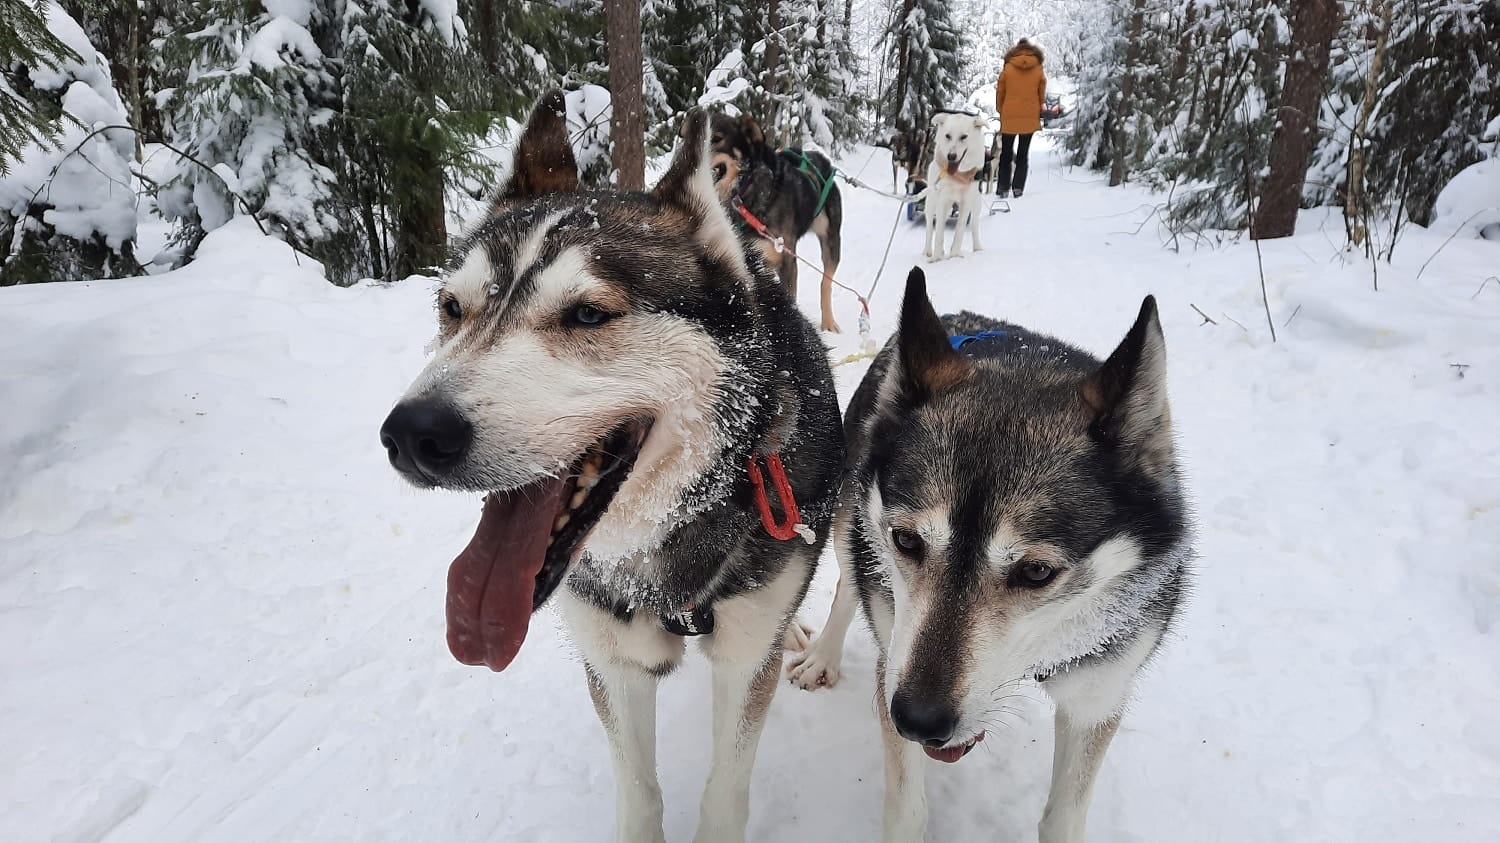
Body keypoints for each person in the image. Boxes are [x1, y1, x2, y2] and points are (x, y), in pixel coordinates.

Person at [994, 38, 1046, 198]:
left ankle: (1003, 187)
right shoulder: (1038, 68)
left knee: (1006, 153)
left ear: (1016, 50)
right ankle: (1018, 188)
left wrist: (1000, 109)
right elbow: (1041, 92)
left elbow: (1000, 91)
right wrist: (1038, 107)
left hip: (1009, 114)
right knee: (1023, 153)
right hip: (1030, 115)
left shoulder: (1008, 68)